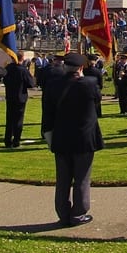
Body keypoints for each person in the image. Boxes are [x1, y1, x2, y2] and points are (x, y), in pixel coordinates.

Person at [41, 52, 104, 226]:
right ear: (81, 68)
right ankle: (78, 213)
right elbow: (97, 102)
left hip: (61, 136)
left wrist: (48, 136)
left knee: (63, 179)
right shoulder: (90, 84)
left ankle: (63, 213)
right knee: (82, 178)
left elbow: (47, 113)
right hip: (84, 138)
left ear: (64, 66)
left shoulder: (53, 85)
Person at [2, 51, 36, 148]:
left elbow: (5, 80)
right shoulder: (23, 70)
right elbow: (31, 84)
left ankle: (7, 140)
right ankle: (16, 140)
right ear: (22, 58)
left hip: (10, 96)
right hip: (20, 97)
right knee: (18, 120)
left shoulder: (8, 68)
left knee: (9, 119)